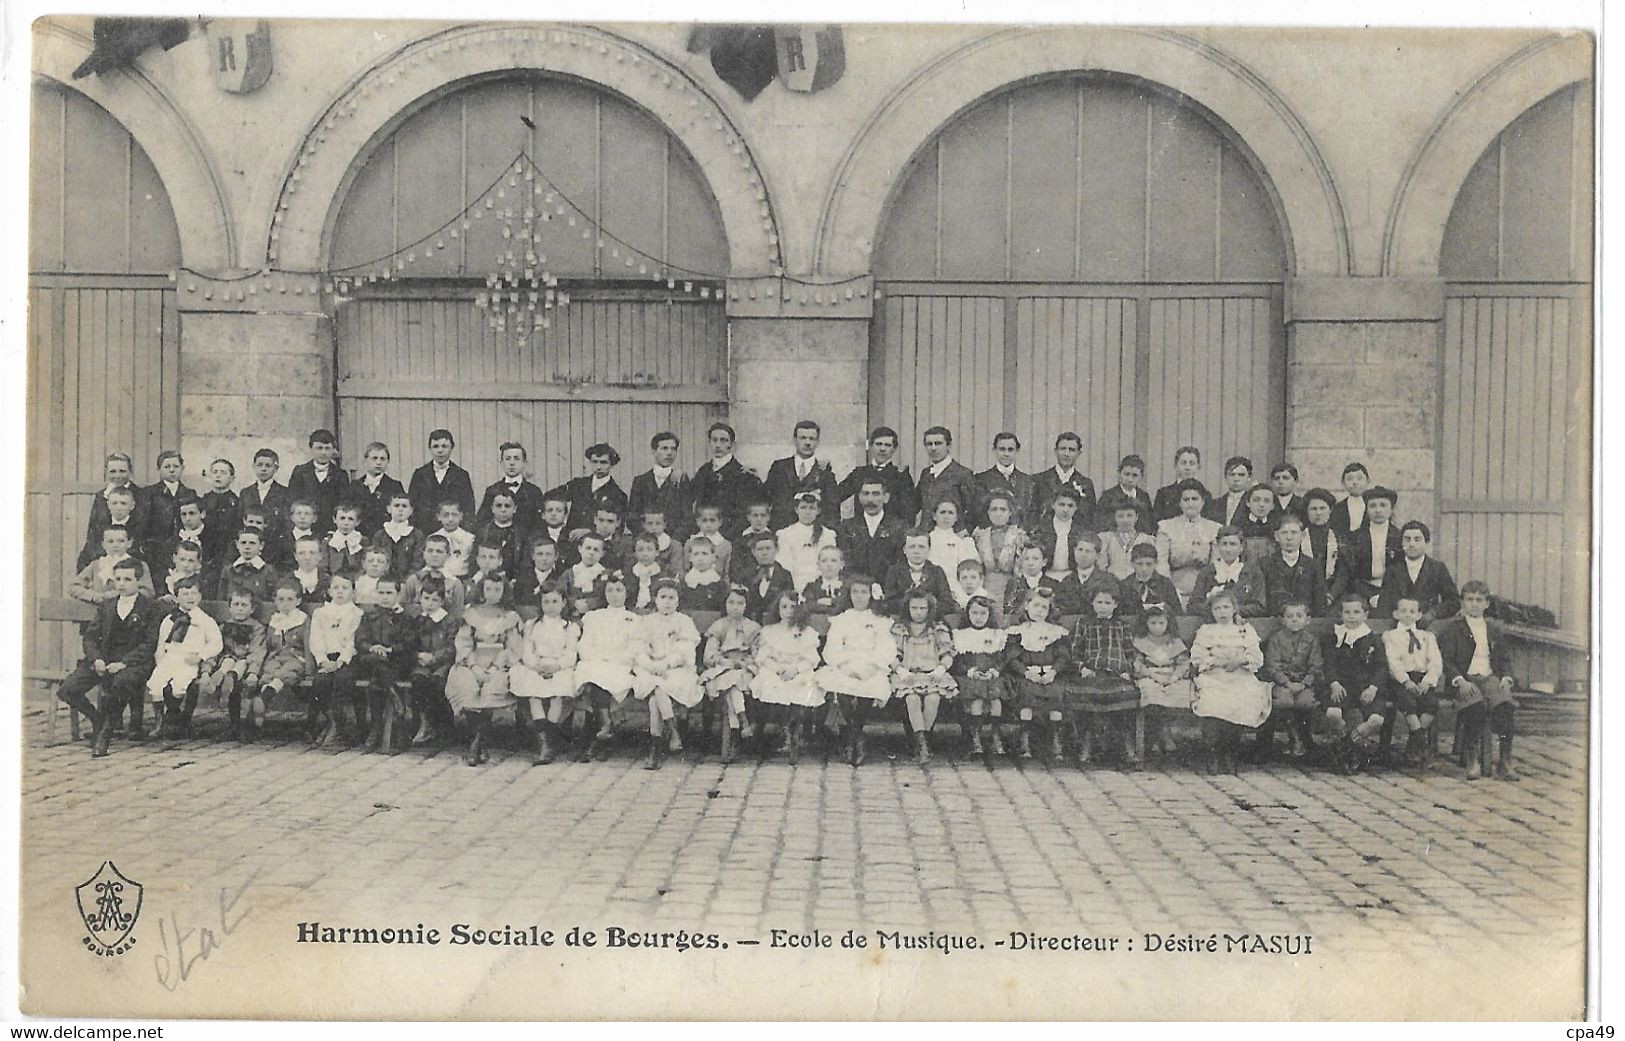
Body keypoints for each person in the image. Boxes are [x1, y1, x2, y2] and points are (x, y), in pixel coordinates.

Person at [56, 559, 160, 755]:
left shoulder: (150, 608)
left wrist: (124, 663)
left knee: (120, 683)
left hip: (134, 662)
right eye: (118, 579)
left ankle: (104, 734)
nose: (121, 584)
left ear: (139, 581)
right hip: (103, 660)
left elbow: (149, 643)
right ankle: (97, 720)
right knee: (68, 690)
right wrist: (96, 659)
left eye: (128, 579)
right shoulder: (107, 606)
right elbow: (91, 637)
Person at [1436, 580, 1519, 781]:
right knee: (1476, 707)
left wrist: (1506, 678)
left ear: (1486, 604)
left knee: (1505, 706)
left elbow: (1505, 658)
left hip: (1489, 677)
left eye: (1479, 600)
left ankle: (1505, 760)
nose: (1474, 604)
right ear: (1463, 602)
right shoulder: (1453, 629)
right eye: (1470, 599)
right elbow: (1445, 660)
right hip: (1464, 679)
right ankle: (1472, 759)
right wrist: (1459, 680)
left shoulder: (1493, 630)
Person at [813, 578, 894, 766]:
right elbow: (832, 648)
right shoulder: (842, 619)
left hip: (871, 666)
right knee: (842, 685)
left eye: (863, 592)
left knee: (870, 685)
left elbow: (886, 648)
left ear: (871, 595)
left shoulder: (878, 620)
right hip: (845, 664)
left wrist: (871, 667)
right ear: (849, 595)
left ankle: (852, 737)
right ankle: (856, 737)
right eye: (855, 592)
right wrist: (845, 667)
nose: (859, 596)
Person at [445, 572, 523, 767]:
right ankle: (478, 742)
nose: (493, 593)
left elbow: (513, 647)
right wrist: (474, 666)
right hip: (472, 663)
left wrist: (497, 666)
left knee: (492, 687)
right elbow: (464, 644)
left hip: (499, 664)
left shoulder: (510, 617)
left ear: (504, 592)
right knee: (466, 684)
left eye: (498, 589)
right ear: (482, 590)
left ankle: (476, 744)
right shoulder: (471, 614)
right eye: (489, 589)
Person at [1189, 589, 1268, 774]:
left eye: (1226, 607)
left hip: (1240, 674)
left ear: (1234, 609)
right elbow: (1197, 656)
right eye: (1217, 608)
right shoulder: (1206, 630)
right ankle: (1214, 753)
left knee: (1243, 698)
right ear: (1212, 612)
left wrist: (1240, 660)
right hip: (1214, 674)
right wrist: (1217, 662)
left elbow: (1256, 656)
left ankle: (1230, 753)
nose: (1222, 612)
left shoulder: (1244, 630)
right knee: (1212, 700)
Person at [632, 579, 703, 770]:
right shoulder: (647, 621)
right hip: (652, 669)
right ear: (655, 599)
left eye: (672, 597)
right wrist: (650, 664)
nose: (667, 601)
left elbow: (686, 650)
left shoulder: (684, 621)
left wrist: (666, 664)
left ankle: (656, 746)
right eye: (663, 597)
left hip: (677, 669)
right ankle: (672, 731)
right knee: (656, 686)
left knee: (656, 694)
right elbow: (639, 647)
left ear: (678, 600)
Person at [1066, 588, 1140, 765]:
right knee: (1086, 696)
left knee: (1125, 695)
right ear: (1092, 603)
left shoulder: (1122, 626)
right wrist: (1082, 668)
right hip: (1092, 672)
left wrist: (1127, 670)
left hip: (1117, 673)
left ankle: (1127, 745)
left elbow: (1130, 653)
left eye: (1108, 603)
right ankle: (1087, 744)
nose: (1103, 606)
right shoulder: (1083, 623)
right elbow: (1074, 651)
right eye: (1099, 602)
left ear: (1115, 605)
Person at [750, 591, 824, 763]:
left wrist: (795, 669)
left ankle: (792, 735)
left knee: (802, 685)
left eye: (793, 607)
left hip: (797, 670)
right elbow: (763, 657)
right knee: (769, 684)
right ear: (778, 609)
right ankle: (781, 731)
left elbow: (811, 659)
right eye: (784, 607)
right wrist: (778, 669)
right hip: (775, 670)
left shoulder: (807, 633)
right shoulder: (770, 631)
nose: (789, 611)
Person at [146, 575, 223, 742]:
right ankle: (160, 722)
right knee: (156, 684)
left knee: (178, 686)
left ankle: (175, 718)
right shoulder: (169, 620)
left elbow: (216, 643)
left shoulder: (205, 620)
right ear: (176, 597)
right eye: (185, 594)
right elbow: (161, 644)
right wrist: (160, 662)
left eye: (194, 594)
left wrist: (200, 656)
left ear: (200, 597)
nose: (190, 597)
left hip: (190, 660)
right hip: (170, 658)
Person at [510, 587, 581, 765]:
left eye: (555, 601)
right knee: (534, 692)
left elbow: (571, 653)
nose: (550, 606)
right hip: (537, 665)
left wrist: (556, 666)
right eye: (546, 602)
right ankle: (545, 742)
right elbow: (527, 651)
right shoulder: (532, 625)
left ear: (564, 602)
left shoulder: (570, 627)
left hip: (559, 666)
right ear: (540, 604)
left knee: (558, 692)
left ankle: (548, 741)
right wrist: (536, 666)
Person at [1320, 593, 1390, 773]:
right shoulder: (1335, 636)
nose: (1352, 616)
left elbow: (1382, 666)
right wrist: (1334, 683)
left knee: (1376, 720)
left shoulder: (1373, 638)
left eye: (1357, 612)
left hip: (1366, 688)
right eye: (1347, 612)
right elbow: (1328, 663)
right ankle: (1351, 745)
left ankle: (1348, 744)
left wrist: (1373, 688)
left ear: (1365, 615)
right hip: (1341, 687)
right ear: (1341, 615)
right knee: (1333, 714)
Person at [573, 573, 639, 760]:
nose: (614, 594)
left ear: (627, 593)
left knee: (604, 678)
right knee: (592, 675)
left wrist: (614, 659)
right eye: (610, 590)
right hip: (596, 661)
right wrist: (597, 658)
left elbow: (634, 647)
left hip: (620, 664)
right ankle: (606, 725)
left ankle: (599, 734)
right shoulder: (594, 617)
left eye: (619, 590)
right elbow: (585, 644)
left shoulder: (633, 619)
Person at [351, 575, 418, 753]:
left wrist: (390, 650)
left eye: (389, 593)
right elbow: (360, 639)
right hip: (374, 659)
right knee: (374, 663)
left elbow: (409, 642)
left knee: (375, 682)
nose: (385, 597)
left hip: (395, 662)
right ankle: (395, 697)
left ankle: (376, 728)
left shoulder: (404, 618)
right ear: (376, 594)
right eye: (381, 592)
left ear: (398, 595)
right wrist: (373, 647)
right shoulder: (369, 616)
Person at [1002, 585, 1070, 761]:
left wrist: (1054, 671)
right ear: (1026, 606)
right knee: (1026, 695)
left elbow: (1063, 656)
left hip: (1049, 675)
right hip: (1027, 675)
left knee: (1056, 696)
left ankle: (1056, 741)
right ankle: (1025, 742)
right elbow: (1012, 658)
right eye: (1036, 606)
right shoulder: (1018, 631)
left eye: (1044, 607)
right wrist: (1025, 672)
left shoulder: (1055, 632)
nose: (1039, 611)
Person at [890, 590, 957, 765]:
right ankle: (921, 744)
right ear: (908, 608)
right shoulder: (900, 629)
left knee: (933, 699)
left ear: (929, 609)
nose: (918, 612)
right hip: (908, 674)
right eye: (914, 608)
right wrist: (900, 670)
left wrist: (941, 669)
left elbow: (947, 654)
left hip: (932, 674)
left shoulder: (937, 629)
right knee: (912, 699)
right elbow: (891, 655)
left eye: (922, 608)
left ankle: (922, 742)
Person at [701, 586, 763, 764]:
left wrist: (743, 664)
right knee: (731, 682)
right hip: (723, 668)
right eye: (731, 602)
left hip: (744, 669)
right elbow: (709, 655)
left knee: (733, 684)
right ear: (725, 604)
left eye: (740, 603)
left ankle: (735, 732)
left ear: (747, 605)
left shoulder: (753, 628)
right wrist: (726, 662)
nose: (735, 607)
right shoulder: (719, 626)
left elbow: (757, 655)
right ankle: (742, 724)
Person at [1381, 595, 1444, 766]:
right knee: (1408, 702)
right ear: (1396, 614)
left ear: (1418, 615)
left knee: (1431, 704)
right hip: (1400, 679)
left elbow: (1436, 662)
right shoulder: (1390, 636)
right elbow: (1392, 662)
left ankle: (1413, 744)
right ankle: (1422, 745)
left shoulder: (1427, 637)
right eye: (1403, 611)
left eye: (1412, 611)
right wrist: (1406, 681)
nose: (1408, 615)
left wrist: (1428, 681)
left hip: (1422, 678)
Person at [1258, 599, 1323, 762]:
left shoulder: (1311, 640)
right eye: (1289, 616)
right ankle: (1286, 739)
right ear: (1283, 620)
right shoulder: (1276, 639)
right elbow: (1272, 665)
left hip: (1303, 684)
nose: (1294, 619)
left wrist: (1305, 683)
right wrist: (1287, 683)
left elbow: (1316, 665)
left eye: (1299, 616)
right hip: (1282, 683)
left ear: (1307, 620)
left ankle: (1303, 739)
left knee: (1306, 702)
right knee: (1283, 701)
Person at [201, 589, 267, 743]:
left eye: (244, 605)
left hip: (247, 663)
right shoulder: (224, 627)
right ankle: (223, 678)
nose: (240, 608)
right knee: (227, 661)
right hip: (227, 659)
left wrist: (253, 673)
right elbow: (215, 649)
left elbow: (257, 652)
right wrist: (206, 670)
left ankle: (230, 677)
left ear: (252, 609)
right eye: (236, 604)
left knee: (240, 667)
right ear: (229, 608)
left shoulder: (257, 628)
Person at [307, 571, 365, 746]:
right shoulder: (321, 612)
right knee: (321, 682)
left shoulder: (357, 613)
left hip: (347, 659)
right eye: (336, 587)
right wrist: (322, 660)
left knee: (342, 680)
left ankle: (338, 725)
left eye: (345, 588)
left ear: (353, 592)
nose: (340, 591)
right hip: (326, 658)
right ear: (329, 591)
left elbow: (354, 641)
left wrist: (340, 662)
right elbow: (316, 638)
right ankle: (332, 721)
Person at [948, 595, 1008, 758]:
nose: (979, 617)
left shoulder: (997, 635)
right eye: (974, 613)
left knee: (996, 701)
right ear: (968, 614)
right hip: (970, 677)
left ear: (989, 615)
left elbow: (1001, 659)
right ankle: (976, 739)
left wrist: (994, 671)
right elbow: (958, 661)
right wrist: (970, 671)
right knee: (977, 699)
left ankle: (996, 735)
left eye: (983, 613)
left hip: (991, 676)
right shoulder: (961, 635)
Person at [1132, 606, 1192, 757]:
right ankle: (1161, 734)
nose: (1157, 627)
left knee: (1182, 690)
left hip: (1171, 676)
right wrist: (1151, 674)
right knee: (1150, 692)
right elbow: (1137, 664)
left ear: (1168, 623)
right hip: (1150, 675)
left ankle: (1165, 732)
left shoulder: (1174, 642)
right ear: (1146, 623)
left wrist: (1175, 676)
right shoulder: (1141, 642)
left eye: (1161, 623)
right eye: (1153, 623)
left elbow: (1183, 663)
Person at [407, 579, 460, 748]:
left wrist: (434, 657)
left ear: (442, 601)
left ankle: (445, 726)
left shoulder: (449, 621)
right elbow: (409, 643)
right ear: (420, 599)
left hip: (442, 663)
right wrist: (417, 655)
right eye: (426, 598)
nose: (429, 604)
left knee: (437, 684)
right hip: (422, 662)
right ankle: (425, 724)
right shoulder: (417, 620)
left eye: (435, 600)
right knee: (419, 680)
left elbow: (452, 647)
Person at [1376, 521, 1460, 625]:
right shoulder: (1393, 570)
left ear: (1427, 542)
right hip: (1398, 627)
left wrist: (1433, 613)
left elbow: (1453, 601)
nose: (1411, 544)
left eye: (1417, 539)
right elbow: (1384, 603)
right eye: (1407, 539)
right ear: (1402, 543)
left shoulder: (1437, 568)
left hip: (1428, 626)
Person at [763, 420, 840, 530]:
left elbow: (833, 511)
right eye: (803, 438)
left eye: (812, 439)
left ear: (817, 442)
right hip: (781, 533)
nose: (807, 442)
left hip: (812, 535)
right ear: (794, 440)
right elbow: (765, 498)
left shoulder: (825, 473)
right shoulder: (779, 467)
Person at [257, 582, 311, 738]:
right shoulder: (275, 620)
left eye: (289, 599)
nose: (284, 604)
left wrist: (309, 670)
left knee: (287, 671)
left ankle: (263, 698)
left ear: (298, 601)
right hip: (276, 657)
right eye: (280, 599)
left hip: (296, 658)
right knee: (270, 670)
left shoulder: (302, 620)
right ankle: (259, 708)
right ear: (275, 601)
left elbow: (307, 645)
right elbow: (269, 645)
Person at [1155, 479, 1219, 606]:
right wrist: (1171, 592)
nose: (1190, 503)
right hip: (1174, 588)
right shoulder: (1166, 527)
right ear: (1179, 503)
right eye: (1186, 499)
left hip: (1204, 590)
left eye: (1195, 499)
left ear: (1203, 502)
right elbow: (1161, 563)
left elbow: (1215, 564)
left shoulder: (1215, 528)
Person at [691, 422, 762, 536]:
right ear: (709, 443)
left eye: (723, 440)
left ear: (732, 444)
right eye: (714, 440)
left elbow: (745, 514)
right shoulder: (703, 472)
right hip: (704, 536)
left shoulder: (743, 475)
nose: (718, 445)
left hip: (731, 537)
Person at [838, 426, 919, 525]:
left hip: (890, 533)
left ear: (894, 449)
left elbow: (909, 513)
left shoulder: (901, 476)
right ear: (871, 446)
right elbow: (835, 496)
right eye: (878, 444)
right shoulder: (859, 473)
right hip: (862, 533)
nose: (882, 449)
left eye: (887, 445)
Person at [837, 477, 909, 585]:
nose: (870, 499)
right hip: (857, 590)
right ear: (860, 497)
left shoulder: (898, 527)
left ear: (886, 497)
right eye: (866, 494)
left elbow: (900, 565)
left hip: (887, 590)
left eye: (876, 494)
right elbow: (846, 564)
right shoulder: (848, 527)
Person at [1256, 512, 1330, 617]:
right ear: (1276, 536)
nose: (1289, 538)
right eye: (1284, 533)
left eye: (1294, 532)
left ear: (1302, 535)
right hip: (1275, 621)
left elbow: (1320, 602)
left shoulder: (1313, 565)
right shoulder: (1265, 564)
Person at [79, 453, 145, 570]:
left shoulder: (142, 496)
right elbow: (93, 533)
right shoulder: (101, 496)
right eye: (113, 471)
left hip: (133, 557)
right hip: (103, 554)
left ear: (130, 472)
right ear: (106, 472)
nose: (118, 476)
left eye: (122, 471)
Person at [549, 443, 628, 538]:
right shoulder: (578, 484)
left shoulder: (618, 495)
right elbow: (551, 497)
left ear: (612, 464)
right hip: (570, 540)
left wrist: (590, 531)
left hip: (597, 544)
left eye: (603, 463)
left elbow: (618, 528)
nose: (598, 467)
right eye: (595, 462)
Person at [1188, 527, 1267, 619]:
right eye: (1224, 544)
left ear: (1241, 547)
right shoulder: (1207, 572)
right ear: (1217, 546)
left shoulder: (1253, 572)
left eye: (1233, 544)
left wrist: (1232, 611)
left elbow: (1259, 606)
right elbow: (1193, 605)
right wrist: (1215, 611)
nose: (1228, 549)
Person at [627, 432, 694, 539]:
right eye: (664, 448)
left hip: (673, 542)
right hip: (646, 544)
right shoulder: (640, 481)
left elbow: (687, 518)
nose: (669, 453)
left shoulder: (682, 481)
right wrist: (647, 538)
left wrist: (673, 541)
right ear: (654, 451)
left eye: (673, 449)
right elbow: (632, 517)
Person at [1346, 486, 1402, 609]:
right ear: (1366, 509)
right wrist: (1369, 595)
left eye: (1383, 505)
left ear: (1392, 509)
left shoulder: (1400, 536)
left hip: (1392, 591)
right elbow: (1351, 574)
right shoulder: (1355, 537)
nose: (1378, 510)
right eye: (1372, 506)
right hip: (1362, 591)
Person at [407, 429, 477, 525]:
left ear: (451, 448)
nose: (440, 450)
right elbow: (412, 506)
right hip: (425, 530)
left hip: (453, 529)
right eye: (435, 446)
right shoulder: (420, 474)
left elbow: (468, 508)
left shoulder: (461, 475)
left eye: (444, 446)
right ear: (430, 448)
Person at [69, 525, 155, 602]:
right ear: (103, 544)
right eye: (110, 541)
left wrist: (119, 593)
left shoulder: (139, 565)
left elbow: (148, 592)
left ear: (129, 543)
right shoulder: (96, 565)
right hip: (99, 612)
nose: (115, 545)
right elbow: (73, 587)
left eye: (121, 541)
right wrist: (93, 595)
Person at [914, 426, 978, 528]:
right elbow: (915, 504)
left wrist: (966, 530)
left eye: (938, 443)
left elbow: (974, 509)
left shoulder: (963, 474)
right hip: (926, 536)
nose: (933, 448)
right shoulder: (926, 473)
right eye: (929, 444)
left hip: (951, 535)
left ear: (949, 445)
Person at [879, 531, 953, 618]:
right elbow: (889, 601)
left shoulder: (937, 572)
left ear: (929, 549)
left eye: (921, 547)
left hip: (930, 620)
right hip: (902, 619)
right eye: (912, 547)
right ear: (904, 550)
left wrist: (926, 606)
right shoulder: (894, 571)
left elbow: (947, 603)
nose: (916, 551)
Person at [288, 430, 349, 534]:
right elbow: (293, 501)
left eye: (327, 448)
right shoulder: (300, 472)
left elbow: (343, 504)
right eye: (319, 448)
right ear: (311, 448)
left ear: (333, 450)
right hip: (306, 527)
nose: (323, 452)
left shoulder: (340, 475)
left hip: (331, 528)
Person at [1029, 432, 1096, 524]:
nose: (1066, 454)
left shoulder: (1086, 484)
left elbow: (1089, 517)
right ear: (1055, 451)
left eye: (1072, 450)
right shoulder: (1038, 480)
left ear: (1079, 453)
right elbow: (1032, 516)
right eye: (1063, 449)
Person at [972, 492, 1027, 602]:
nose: (998, 514)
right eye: (994, 509)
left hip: (1010, 590)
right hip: (982, 587)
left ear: (1010, 512)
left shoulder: (1018, 535)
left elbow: (1021, 570)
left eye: (1003, 509)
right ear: (988, 512)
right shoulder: (979, 535)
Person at [479, 442, 547, 531]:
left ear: (524, 463)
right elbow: (482, 521)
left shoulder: (534, 491)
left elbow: (540, 523)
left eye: (516, 459)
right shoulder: (492, 490)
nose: (512, 463)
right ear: (501, 463)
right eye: (507, 459)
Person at [776, 491, 837, 591]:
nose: (807, 512)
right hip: (795, 583)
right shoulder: (786, 534)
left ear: (818, 511)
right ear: (796, 509)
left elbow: (830, 564)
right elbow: (785, 564)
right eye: (803, 507)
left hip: (820, 585)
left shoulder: (827, 535)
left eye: (812, 508)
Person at [973, 432, 1035, 530]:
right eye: (1002, 449)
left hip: (1020, 536)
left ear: (1017, 451)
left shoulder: (1027, 481)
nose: (1006, 454)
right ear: (994, 450)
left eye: (1010, 450)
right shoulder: (981, 479)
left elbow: (1030, 514)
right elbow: (979, 512)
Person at [79, 485, 145, 575]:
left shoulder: (140, 529)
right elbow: (89, 552)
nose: (118, 508)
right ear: (108, 505)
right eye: (114, 503)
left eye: (123, 503)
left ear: (132, 506)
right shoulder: (99, 527)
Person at [1301, 488, 1350, 605]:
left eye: (1322, 508)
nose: (1318, 513)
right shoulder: (1299, 536)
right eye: (1313, 509)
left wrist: (1331, 595)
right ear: (1307, 511)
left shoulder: (1340, 537)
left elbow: (1343, 572)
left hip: (1333, 594)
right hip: (1305, 593)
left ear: (1330, 510)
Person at [1051, 536, 1119, 619]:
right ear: (1074, 551)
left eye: (1088, 551)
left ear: (1097, 555)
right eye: (1080, 550)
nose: (1083, 555)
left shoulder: (1108, 580)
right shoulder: (1066, 581)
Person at [401, 535, 465, 619]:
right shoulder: (414, 580)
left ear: (448, 555)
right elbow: (406, 607)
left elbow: (457, 612)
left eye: (439, 551)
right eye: (430, 551)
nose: (434, 555)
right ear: (423, 553)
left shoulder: (455, 583)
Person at [351, 442, 406, 536]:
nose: (378, 462)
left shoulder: (394, 486)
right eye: (374, 458)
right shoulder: (355, 486)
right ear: (365, 461)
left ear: (388, 462)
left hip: (386, 535)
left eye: (383, 459)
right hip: (359, 535)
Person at [241, 448, 292, 549]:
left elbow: (286, 524)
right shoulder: (246, 493)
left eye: (268, 466)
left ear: (276, 468)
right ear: (254, 466)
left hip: (275, 544)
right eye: (260, 465)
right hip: (250, 544)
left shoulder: (285, 493)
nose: (263, 469)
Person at [741, 532, 796, 624]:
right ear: (753, 552)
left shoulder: (785, 575)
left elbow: (788, 603)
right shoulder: (746, 575)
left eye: (768, 548)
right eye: (760, 549)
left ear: (777, 549)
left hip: (775, 625)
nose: (764, 553)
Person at [1032, 487, 1086, 580]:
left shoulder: (1081, 531)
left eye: (1070, 506)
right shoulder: (1042, 528)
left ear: (1076, 507)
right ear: (1053, 505)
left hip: (1072, 576)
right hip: (1045, 575)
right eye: (1061, 504)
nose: (1065, 510)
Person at [142, 449, 193, 548]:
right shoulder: (149, 493)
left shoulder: (189, 493)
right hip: (157, 545)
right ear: (159, 469)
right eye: (167, 467)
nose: (172, 470)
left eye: (176, 466)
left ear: (182, 468)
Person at [215, 528, 279, 606]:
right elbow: (221, 600)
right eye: (243, 543)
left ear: (261, 546)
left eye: (252, 543)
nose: (247, 547)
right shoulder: (228, 571)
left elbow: (272, 601)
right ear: (237, 545)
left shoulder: (268, 571)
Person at [1095, 455, 1155, 535]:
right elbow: (1100, 525)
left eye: (1135, 475)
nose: (1130, 479)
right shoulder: (1108, 496)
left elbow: (1148, 525)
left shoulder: (1144, 497)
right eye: (1126, 474)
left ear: (1141, 477)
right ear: (1119, 474)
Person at [1118, 543, 1181, 618]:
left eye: (1149, 564)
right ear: (1132, 564)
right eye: (1139, 564)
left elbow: (1177, 613)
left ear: (1156, 563)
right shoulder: (1125, 585)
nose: (1144, 569)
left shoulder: (1165, 584)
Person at [1151, 446, 1211, 524]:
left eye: (1192, 463)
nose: (1187, 467)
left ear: (1198, 466)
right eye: (1183, 463)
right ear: (1176, 465)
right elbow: (1156, 523)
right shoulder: (1164, 494)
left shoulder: (1205, 494)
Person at [372, 492, 426, 578]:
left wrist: (407, 581)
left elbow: (418, 562)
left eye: (404, 506)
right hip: (383, 580)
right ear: (389, 509)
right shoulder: (380, 534)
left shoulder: (416, 535)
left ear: (411, 511)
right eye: (396, 506)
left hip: (408, 580)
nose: (400, 509)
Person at [1099, 502, 1157, 580]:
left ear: (1136, 517)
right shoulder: (1106, 538)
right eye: (1120, 516)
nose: (1125, 520)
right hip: (1112, 582)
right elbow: (1101, 566)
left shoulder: (1147, 539)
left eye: (1129, 515)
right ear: (1114, 518)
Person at [479, 490, 529, 576]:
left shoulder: (521, 534)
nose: (503, 510)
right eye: (498, 506)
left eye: (507, 506)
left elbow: (525, 562)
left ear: (515, 509)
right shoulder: (483, 532)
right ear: (492, 508)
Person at [924, 499, 978, 577]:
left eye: (950, 513)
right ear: (934, 516)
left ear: (956, 518)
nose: (946, 516)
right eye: (942, 512)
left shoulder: (963, 542)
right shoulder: (926, 540)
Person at [200, 460, 243, 559]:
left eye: (223, 473)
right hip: (207, 550)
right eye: (215, 472)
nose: (218, 476)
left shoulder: (237, 502)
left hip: (229, 551)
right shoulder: (203, 501)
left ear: (232, 478)